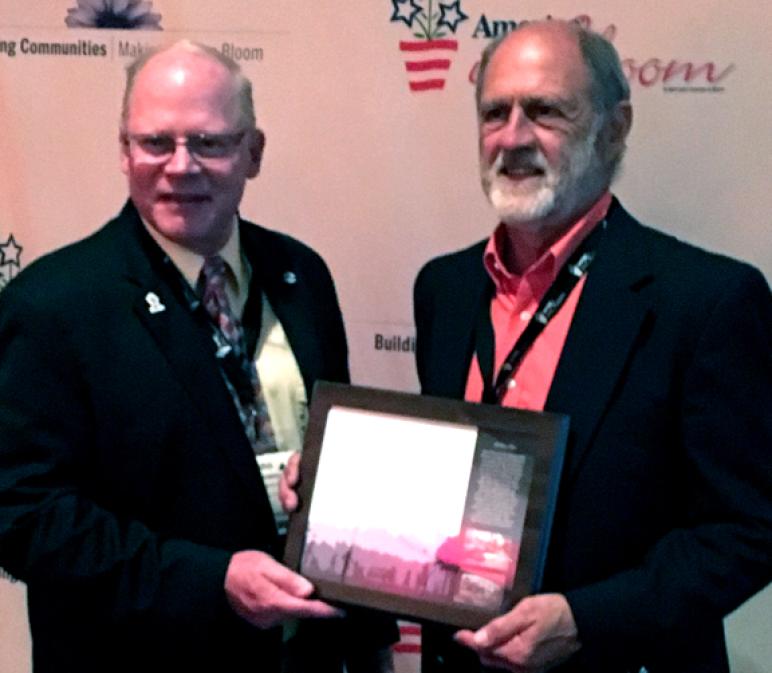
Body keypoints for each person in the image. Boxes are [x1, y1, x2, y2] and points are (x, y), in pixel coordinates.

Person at [0, 41, 393, 673]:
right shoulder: (52, 304)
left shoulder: (301, 274)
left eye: (209, 143)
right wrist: (211, 580)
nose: (181, 167)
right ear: (124, 151)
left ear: (253, 152)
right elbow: (23, 516)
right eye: (156, 142)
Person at [412, 19, 772, 673]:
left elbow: (750, 529)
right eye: (495, 112)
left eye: (546, 110)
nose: (514, 137)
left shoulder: (707, 301)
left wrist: (587, 619)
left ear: (614, 127)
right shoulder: (445, 288)